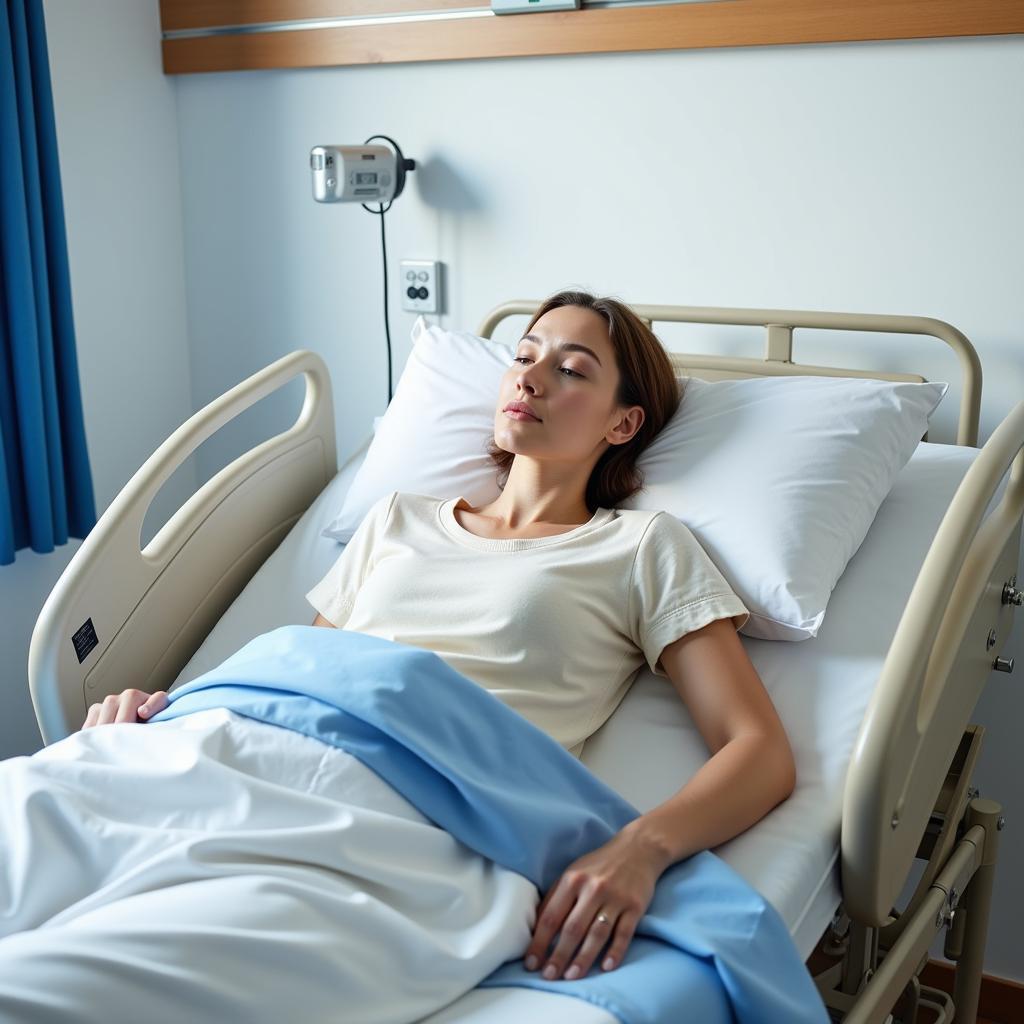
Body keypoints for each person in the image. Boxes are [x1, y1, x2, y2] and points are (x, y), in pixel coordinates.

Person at [83, 290, 795, 989]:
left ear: (623, 423)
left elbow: (757, 751)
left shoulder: (641, 546)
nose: (529, 376)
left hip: (408, 812)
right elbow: (301, 677)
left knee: (130, 962)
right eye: (523, 355)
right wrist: (168, 714)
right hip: (247, 758)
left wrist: (640, 849)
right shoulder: (396, 517)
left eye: (571, 369)